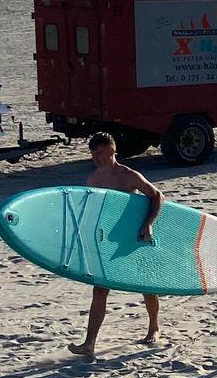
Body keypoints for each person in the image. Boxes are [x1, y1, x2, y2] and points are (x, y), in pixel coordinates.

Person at [69, 132, 163, 356]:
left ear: (112, 151)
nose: (96, 157)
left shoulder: (128, 176)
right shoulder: (93, 179)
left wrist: (148, 224)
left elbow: (157, 196)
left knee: (145, 284)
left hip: (134, 236)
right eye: (93, 153)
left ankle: (154, 327)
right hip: (108, 239)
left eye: (100, 153)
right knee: (100, 289)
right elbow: (92, 212)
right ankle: (89, 343)